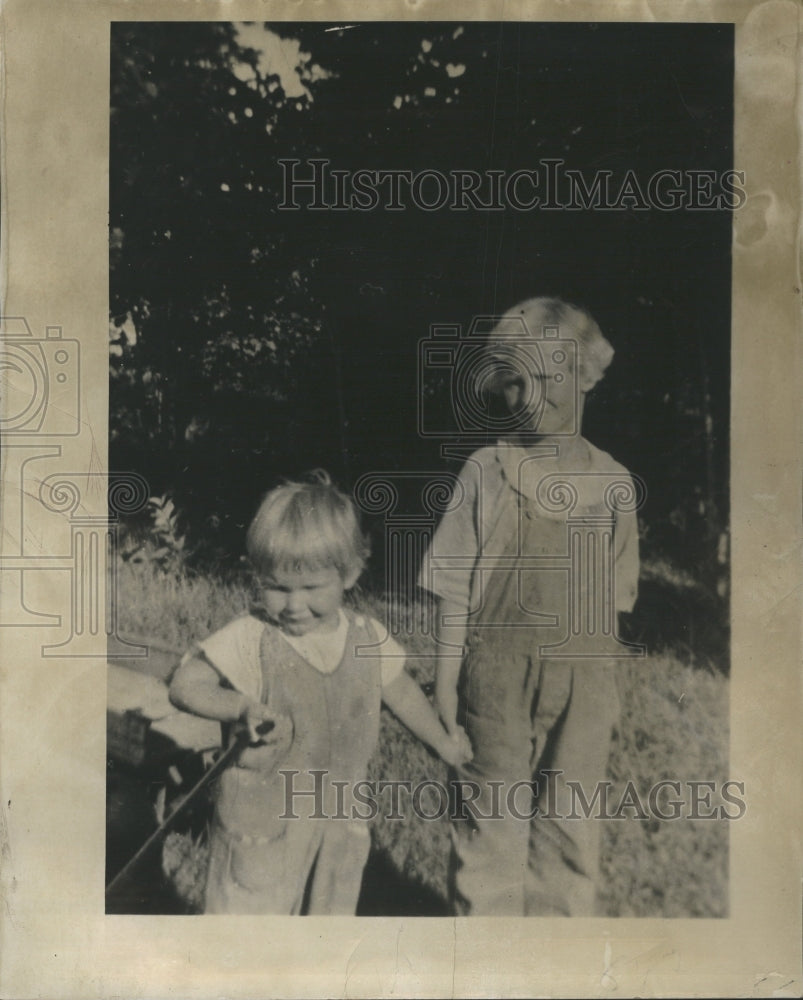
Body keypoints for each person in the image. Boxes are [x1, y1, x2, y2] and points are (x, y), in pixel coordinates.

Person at [419, 297, 641, 916]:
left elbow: (614, 603)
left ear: (586, 376)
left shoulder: (614, 483)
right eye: (516, 383)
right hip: (493, 680)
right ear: (498, 390)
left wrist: (596, 697)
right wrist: (443, 686)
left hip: (583, 683)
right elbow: (453, 584)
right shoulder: (486, 471)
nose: (533, 397)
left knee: (568, 830)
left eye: (550, 377)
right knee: (489, 826)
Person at [169, 470, 471, 915]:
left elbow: (402, 693)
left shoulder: (368, 638)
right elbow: (184, 684)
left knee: (327, 923)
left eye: (311, 588)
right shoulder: (252, 636)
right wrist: (238, 706)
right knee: (248, 929)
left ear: (348, 574)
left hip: (338, 820)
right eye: (276, 588)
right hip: (262, 820)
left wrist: (443, 742)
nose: (292, 605)